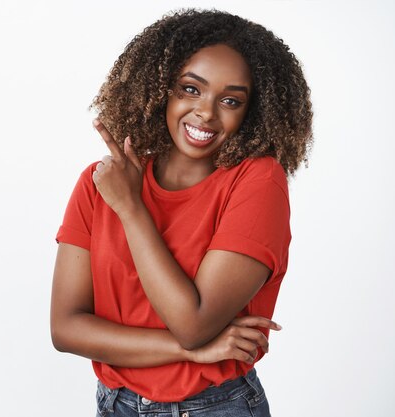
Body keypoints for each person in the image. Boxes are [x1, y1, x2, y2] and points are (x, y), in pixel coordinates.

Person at [50, 8, 312, 417]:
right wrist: (191, 351)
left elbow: (193, 324)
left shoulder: (258, 182)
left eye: (230, 100)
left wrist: (131, 208)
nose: (206, 112)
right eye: (190, 89)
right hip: (115, 404)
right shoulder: (100, 182)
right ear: (159, 89)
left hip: (214, 407)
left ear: (253, 112)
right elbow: (65, 328)